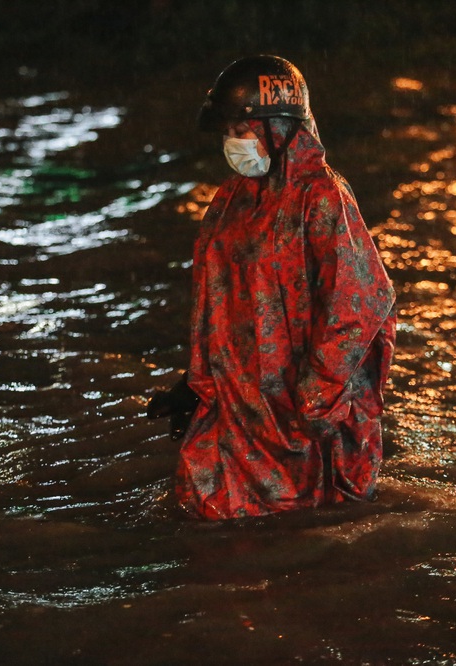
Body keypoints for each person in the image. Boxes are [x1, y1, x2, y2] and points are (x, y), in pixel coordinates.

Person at [148, 55, 397, 520]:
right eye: (226, 131)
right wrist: (195, 383)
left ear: (279, 129)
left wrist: (316, 400)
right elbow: (213, 303)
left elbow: (361, 305)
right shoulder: (230, 200)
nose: (231, 142)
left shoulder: (322, 198)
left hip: (297, 420)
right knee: (206, 525)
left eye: (241, 130)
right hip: (235, 410)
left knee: (298, 535)